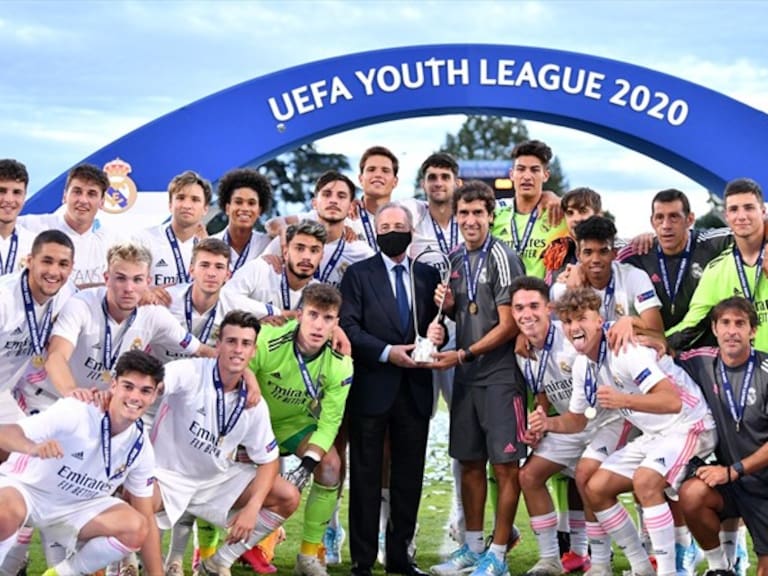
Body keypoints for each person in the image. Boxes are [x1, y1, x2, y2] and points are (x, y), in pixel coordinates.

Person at [530, 287, 717, 576]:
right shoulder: (583, 365)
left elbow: (672, 400)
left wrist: (623, 401)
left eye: (581, 318)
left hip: (689, 424)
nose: (574, 327)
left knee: (645, 482)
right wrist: (548, 423)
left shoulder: (626, 350)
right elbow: (576, 421)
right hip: (656, 435)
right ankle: (642, 566)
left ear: (599, 319)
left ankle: (667, 572)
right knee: (595, 487)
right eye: (567, 322)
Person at [147, 310, 299, 576]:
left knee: (287, 496)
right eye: (231, 341)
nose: (238, 350)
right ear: (218, 345)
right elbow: (156, 381)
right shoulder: (190, 372)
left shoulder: (254, 403)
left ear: (253, 351)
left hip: (214, 481)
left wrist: (252, 508)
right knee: (133, 499)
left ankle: (218, 562)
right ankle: (121, 565)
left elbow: (269, 460)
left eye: (246, 343)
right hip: (166, 477)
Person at [340, 202, 444, 576]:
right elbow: (349, 327)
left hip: (415, 389)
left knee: (408, 478)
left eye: (399, 225)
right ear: (375, 230)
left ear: (412, 230)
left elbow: (438, 326)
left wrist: (440, 331)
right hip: (372, 387)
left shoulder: (429, 274)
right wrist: (387, 353)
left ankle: (401, 557)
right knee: (365, 478)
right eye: (385, 226)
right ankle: (362, 561)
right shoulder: (358, 275)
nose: (392, 231)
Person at [430, 181, 525, 576]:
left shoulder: (503, 256)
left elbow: (509, 324)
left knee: (505, 467)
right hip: (467, 374)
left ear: (491, 215)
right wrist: (449, 310)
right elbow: (468, 315)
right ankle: (471, 548)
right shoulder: (455, 259)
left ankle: (498, 554)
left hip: (500, 375)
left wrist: (464, 353)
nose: (470, 220)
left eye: (477, 213)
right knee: (468, 462)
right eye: (463, 213)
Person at [0, 350, 165, 576]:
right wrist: (32, 447)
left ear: (155, 395)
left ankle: (59, 574)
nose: (136, 397)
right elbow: (5, 433)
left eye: (145, 391)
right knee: (3, 510)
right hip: (28, 492)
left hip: (75, 509)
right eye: (128, 386)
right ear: (114, 385)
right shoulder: (77, 410)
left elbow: (146, 515)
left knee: (136, 526)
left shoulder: (141, 447)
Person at [511, 277, 628, 576]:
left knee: (587, 478)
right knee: (528, 476)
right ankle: (550, 558)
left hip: (606, 422)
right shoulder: (523, 352)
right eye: (519, 308)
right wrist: (538, 420)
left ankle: (600, 560)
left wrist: (629, 322)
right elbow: (543, 392)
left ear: (549, 309)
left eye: (534, 306)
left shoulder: (570, 333)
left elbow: (612, 327)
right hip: (569, 424)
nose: (527, 314)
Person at [249, 283, 353, 576]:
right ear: (299, 316)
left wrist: (308, 463)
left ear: (336, 323)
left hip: (294, 424)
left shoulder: (341, 364)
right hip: (253, 423)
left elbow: (330, 420)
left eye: (328, 318)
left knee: (331, 465)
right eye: (313, 315)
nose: (319, 325)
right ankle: (207, 551)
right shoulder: (267, 339)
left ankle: (308, 556)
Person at [44, 242, 216, 406]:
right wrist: (72, 392)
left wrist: (242, 373)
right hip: (51, 396)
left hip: (99, 402)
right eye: (120, 278)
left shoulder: (155, 315)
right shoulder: (82, 304)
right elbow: (56, 356)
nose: (128, 288)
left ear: (148, 283)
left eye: (137, 280)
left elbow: (202, 350)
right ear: (106, 278)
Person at [676, 297, 768, 576]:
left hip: (762, 484)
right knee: (691, 495)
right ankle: (720, 567)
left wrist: (733, 471)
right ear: (714, 328)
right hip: (729, 482)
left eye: (740, 323)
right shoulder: (700, 361)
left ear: (752, 330)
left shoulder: (766, 371)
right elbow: (662, 351)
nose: (731, 331)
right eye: (725, 323)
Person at [667, 178, 768, 351]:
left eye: (749, 208)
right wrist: (655, 341)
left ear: (763, 211)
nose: (742, 216)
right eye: (734, 209)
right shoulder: (716, 270)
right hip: (749, 373)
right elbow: (691, 326)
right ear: (727, 216)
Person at [617, 188, 732, 337]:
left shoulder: (708, 243)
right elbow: (600, 249)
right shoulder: (640, 250)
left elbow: (750, 230)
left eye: (674, 217)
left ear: (690, 220)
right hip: (658, 346)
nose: (666, 225)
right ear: (652, 221)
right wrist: (577, 271)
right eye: (659, 217)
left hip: (705, 345)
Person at [552, 215, 665, 344]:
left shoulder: (634, 277)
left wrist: (631, 322)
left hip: (624, 351)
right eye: (588, 252)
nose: (595, 260)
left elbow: (658, 334)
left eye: (603, 251)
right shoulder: (563, 288)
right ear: (578, 255)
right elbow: (557, 339)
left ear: (615, 253)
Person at [4, 231, 77, 418]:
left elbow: (97, 298)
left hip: (6, 393)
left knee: (33, 444)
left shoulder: (67, 293)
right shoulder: (4, 299)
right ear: (29, 261)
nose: (53, 272)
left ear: (71, 268)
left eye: (63, 264)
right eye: (47, 261)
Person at [263, 171, 375, 288]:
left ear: (351, 207)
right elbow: (251, 282)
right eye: (327, 194)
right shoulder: (287, 240)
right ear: (314, 203)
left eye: (341, 196)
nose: (333, 200)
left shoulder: (362, 254)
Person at [20, 163, 118, 288]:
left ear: (102, 202)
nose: (83, 200)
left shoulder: (113, 242)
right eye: (77, 192)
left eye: (91, 194)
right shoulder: (32, 226)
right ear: (64, 196)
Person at [491, 140, 568, 278]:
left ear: (546, 175)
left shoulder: (558, 213)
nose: (527, 176)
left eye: (534, 170)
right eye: (520, 169)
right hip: (503, 298)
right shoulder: (494, 212)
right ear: (511, 174)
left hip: (543, 297)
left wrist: (559, 200)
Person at [223, 220, 326, 321]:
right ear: (285, 252)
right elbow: (226, 297)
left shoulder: (318, 293)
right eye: (299, 248)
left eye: (314, 250)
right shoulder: (261, 269)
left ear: (321, 256)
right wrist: (274, 312)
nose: (306, 257)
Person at [135, 170, 211, 292]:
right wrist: (147, 292)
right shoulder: (143, 240)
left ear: (205, 209)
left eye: (195, 199)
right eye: (181, 198)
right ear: (170, 205)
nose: (187, 205)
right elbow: (126, 285)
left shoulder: (211, 248)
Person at [212, 168, 274, 273]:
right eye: (238, 202)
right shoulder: (210, 243)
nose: (245, 208)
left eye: (251, 203)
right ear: (227, 208)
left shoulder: (268, 245)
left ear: (259, 210)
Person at [542, 187, 603, 285]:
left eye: (583, 211)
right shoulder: (557, 253)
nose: (576, 218)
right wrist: (558, 286)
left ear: (598, 215)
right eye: (570, 213)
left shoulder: (617, 252)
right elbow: (548, 294)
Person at [0, 159, 35, 276]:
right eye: (2, 191)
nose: (9, 200)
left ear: (24, 196)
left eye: (16, 192)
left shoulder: (34, 244)